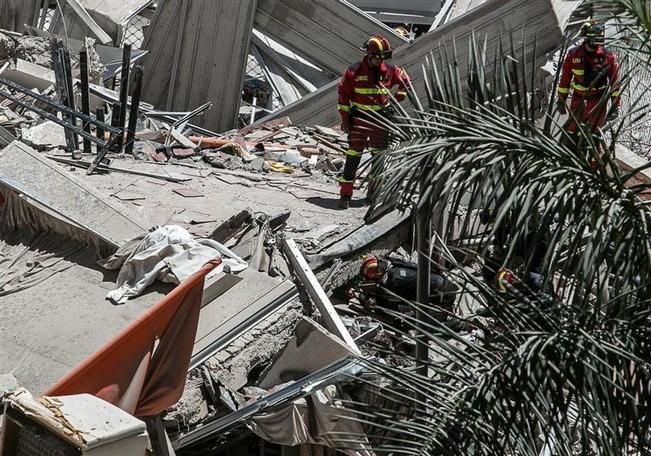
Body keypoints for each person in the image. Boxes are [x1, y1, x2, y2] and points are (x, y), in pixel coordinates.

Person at [336, 34, 411, 209]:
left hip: (381, 121)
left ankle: (373, 195)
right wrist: (345, 120)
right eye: (378, 57)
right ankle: (345, 195)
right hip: (359, 120)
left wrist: (396, 101)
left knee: (378, 159)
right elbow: (343, 97)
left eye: (383, 58)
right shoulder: (353, 71)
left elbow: (405, 84)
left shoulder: (391, 70)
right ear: (369, 55)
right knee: (353, 157)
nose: (381, 62)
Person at [556, 19, 621, 158]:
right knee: (572, 131)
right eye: (595, 38)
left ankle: (593, 167)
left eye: (600, 38)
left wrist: (616, 106)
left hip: (598, 102)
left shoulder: (608, 57)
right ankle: (570, 162)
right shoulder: (573, 55)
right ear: (587, 38)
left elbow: (615, 82)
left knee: (594, 135)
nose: (598, 42)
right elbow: (565, 80)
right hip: (578, 101)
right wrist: (561, 101)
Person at [350, 255, 458, 313]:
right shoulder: (394, 264)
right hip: (442, 282)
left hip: (440, 294)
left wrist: (365, 298)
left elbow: (394, 303)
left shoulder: (393, 282)